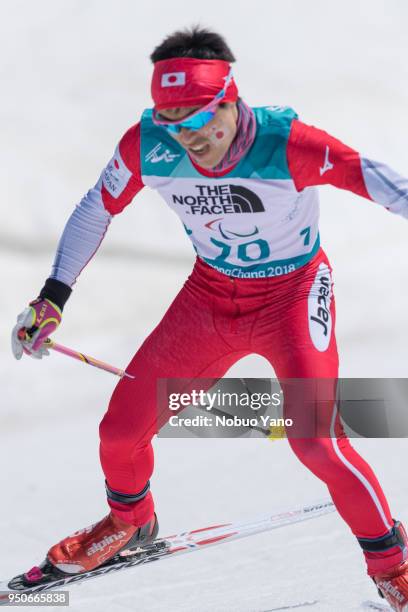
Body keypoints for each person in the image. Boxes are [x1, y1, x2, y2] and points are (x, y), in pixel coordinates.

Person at [10, 26, 408, 610]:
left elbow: (386, 185)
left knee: (316, 443)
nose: (186, 135)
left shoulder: (288, 142)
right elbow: (95, 208)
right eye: (170, 118)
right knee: (119, 432)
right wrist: (52, 297)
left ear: (230, 99)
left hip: (293, 296)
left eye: (197, 118)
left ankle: (393, 567)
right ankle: (129, 522)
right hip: (210, 299)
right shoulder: (147, 145)